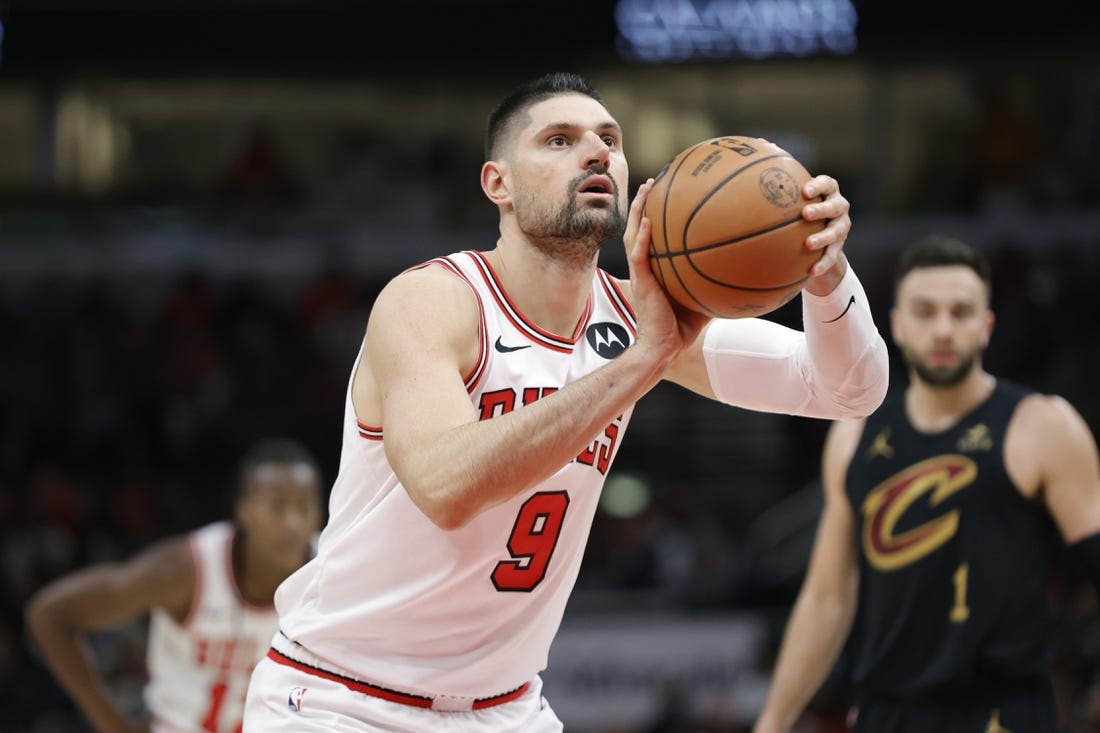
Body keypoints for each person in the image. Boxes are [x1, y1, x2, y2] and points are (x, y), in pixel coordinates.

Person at [243, 71, 890, 732]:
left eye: (609, 140)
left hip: (506, 708)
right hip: (342, 699)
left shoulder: (638, 316)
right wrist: (642, 361)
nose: (595, 152)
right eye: (559, 139)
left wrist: (826, 274)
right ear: (498, 183)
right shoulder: (434, 300)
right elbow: (446, 485)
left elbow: (849, 390)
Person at [752, 235, 1100, 733]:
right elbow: (827, 599)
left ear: (987, 326)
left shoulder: (1042, 424)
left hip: (1002, 712)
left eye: (960, 313)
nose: (942, 329)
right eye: (925, 311)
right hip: (886, 712)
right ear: (896, 324)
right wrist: (772, 722)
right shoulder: (854, 434)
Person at [25, 437, 324, 733]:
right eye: (277, 507)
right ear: (243, 511)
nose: (292, 522)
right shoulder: (186, 570)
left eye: (304, 507)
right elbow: (50, 616)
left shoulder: (333, 574)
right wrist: (112, 725)